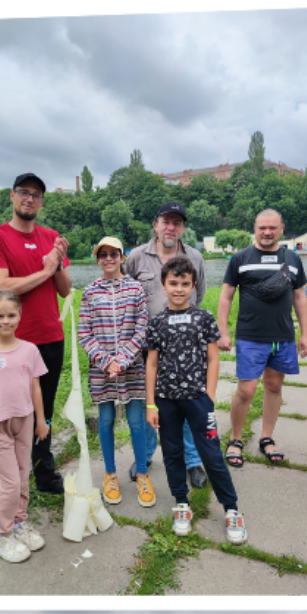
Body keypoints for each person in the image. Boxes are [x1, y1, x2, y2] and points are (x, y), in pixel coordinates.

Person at [0, 173, 72, 494]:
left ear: (42, 202)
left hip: (50, 338)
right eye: (24, 192)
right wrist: (45, 270)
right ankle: (11, 476)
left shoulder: (51, 237)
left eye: (36, 194)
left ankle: (43, 473)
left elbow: (64, 289)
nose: (29, 199)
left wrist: (57, 264)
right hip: (11, 343)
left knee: (42, 408)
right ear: (12, 196)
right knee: (12, 410)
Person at [145, 257, 247, 543]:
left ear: (193, 286)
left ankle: (231, 509)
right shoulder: (157, 323)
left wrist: (209, 397)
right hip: (166, 402)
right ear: (164, 285)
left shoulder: (204, 318)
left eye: (185, 284)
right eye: (173, 283)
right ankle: (181, 503)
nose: (179, 289)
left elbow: (213, 359)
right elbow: (151, 364)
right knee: (173, 454)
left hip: (199, 400)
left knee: (212, 454)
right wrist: (151, 403)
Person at [217, 209, 307, 466]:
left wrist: (306, 333)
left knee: (273, 386)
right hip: (250, 336)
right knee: (246, 390)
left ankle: (267, 438)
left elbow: (300, 297)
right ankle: (235, 439)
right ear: (255, 229)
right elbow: (226, 296)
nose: (267, 232)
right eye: (262, 228)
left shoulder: (292, 258)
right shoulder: (240, 258)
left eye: (272, 227)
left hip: (282, 337)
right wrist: (223, 332)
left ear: (281, 229)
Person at [123, 202, 209, 488]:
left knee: (187, 405)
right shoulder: (136, 257)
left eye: (177, 222)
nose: (171, 227)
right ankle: (144, 455)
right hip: (146, 347)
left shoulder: (195, 257)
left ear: (183, 228)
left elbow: (200, 294)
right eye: (166, 221)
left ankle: (193, 460)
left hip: (186, 348)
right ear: (156, 225)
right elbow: (126, 293)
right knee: (148, 402)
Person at [0, 290, 51, 563]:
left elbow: (36, 388)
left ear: (20, 315)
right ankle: (1, 534)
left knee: (22, 475)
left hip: (25, 421)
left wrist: (41, 421)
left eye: (11, 315)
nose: (6, 321)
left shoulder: (29, 350)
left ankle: (18, 523)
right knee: (8, 483)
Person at [79, 237, 152, 507]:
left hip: (131, 369)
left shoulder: (136, 289)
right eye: (103, 254)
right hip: (102, 372)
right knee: (106, 420)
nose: (108, 259)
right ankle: (110, 474)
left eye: (114, 254)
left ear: (122, 256)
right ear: (97, 259)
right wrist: (105, 360)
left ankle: (143, 473)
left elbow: (142, 328)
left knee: (136, 421)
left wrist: (123, 359)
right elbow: (84, 332)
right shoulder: (90, 292)